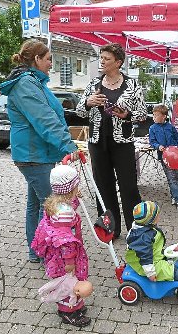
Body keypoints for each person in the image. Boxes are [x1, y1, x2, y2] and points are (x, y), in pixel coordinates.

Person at [0, 39, 78, 263]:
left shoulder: (35, 82)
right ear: (37, 59)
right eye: (48, 59)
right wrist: (67, 144)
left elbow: (52, 114)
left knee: (37, 204)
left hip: (38, 153)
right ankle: (50, 254)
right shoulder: (26, 84)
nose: (51, 63)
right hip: (33, 154)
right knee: (51, 205)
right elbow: (44, 119)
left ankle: (37, 251)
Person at [76, 43, 147, 239]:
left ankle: (136, 230)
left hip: (123, 143)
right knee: (104, 187)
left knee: (129, 188)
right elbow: (79, 111)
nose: (102, 62)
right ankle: (110, 229)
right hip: (98, 142)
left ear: (118, 62)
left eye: (107, 59)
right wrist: (88, 103)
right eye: (101, 58)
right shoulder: (93, 84)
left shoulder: (132, 85)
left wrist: (126, 114)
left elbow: (143, 113)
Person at [31, 165, 91, 327]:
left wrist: (75, 198)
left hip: (57, 255)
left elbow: (71, 205)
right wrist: (70, 260)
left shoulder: (57, 203)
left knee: (70, 280)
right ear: (70, 188)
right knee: (67, 283)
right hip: (64, 257)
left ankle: (74, 306)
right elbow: (65, 242)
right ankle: (68, 312)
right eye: (76, 185)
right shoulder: (64, 214)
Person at [125, 201, 178, 285]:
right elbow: (145, 257)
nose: (159, 217)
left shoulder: (145, 227)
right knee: (165, 269)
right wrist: (150, 273)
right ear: (150, 220)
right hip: (144, 263)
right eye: (157, 216)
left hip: (154, 253)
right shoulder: (143, 238)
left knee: (171, 253)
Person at [149, 104, 178, 210]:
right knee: (172, 178)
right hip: (164, 157)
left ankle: (174, 195)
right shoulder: (152, 128)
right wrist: (157, 146)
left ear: (164, 116)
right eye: (153, 115)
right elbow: (152, 141)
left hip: (176, 157)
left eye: (156, 115)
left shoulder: (171, 127)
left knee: (176, 177)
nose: (154, 117)